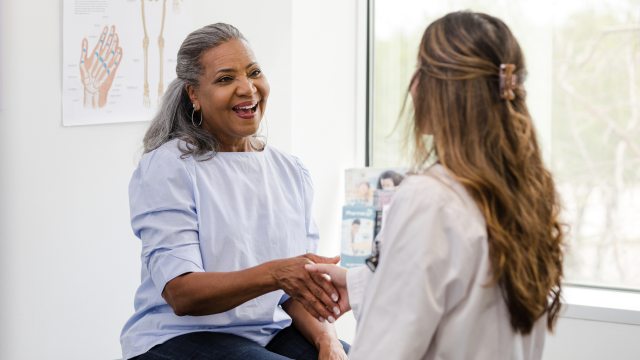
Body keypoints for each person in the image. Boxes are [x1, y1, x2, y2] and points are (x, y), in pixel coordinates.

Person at [307, 11, 564, 360]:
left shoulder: (429, 200)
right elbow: (465, 293)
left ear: (446, 89)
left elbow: (386, 349)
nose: (412, 86)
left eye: (421, 70)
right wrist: (357, 284)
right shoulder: (526, 192)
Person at [120, 23, 349, 360]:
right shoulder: (170, 168)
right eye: (226, 79)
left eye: (254, 72)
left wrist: (327, 341)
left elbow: (298, 289)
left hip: (268, 333)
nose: (247, 88)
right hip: (178, 338)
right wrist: (275, 273)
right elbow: (183, 294)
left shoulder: (291, 171)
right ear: (194, 95)